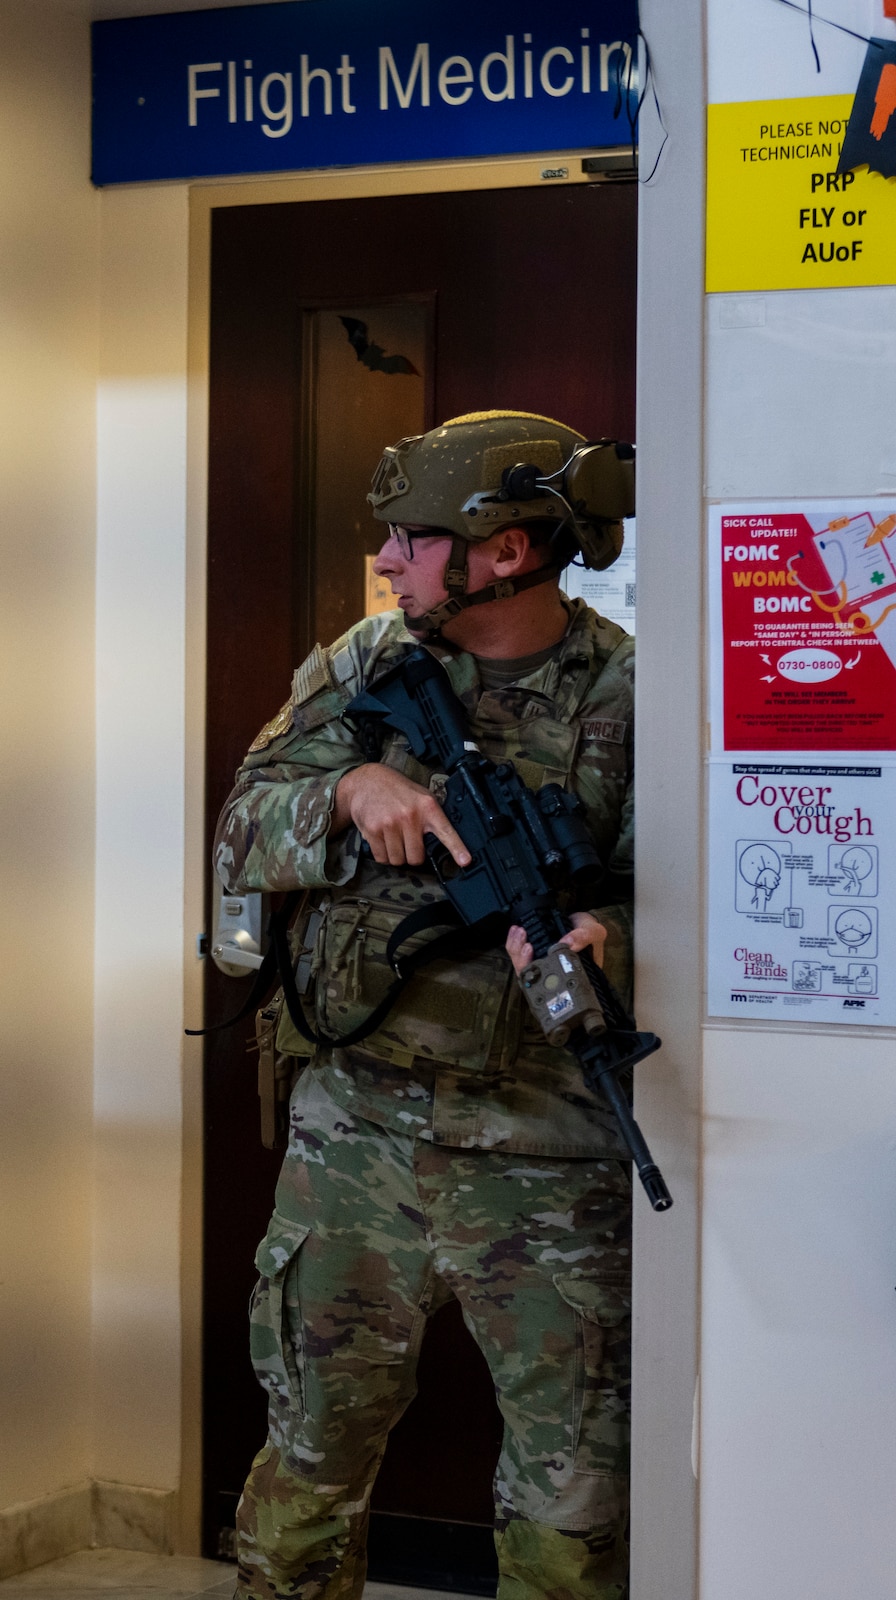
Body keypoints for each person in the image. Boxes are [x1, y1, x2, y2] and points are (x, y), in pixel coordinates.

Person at [216, 411, 636, 1600]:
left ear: (503, 551)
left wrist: (617, 940)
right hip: (356, 1138)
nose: (387, 561)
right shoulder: (363, 666)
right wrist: (349, 785)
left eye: (409, 538)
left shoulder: (632, 696)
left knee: (570, 1511)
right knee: (304, 1470)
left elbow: (707, 917)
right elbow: (242, 822)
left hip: (548, 1155)